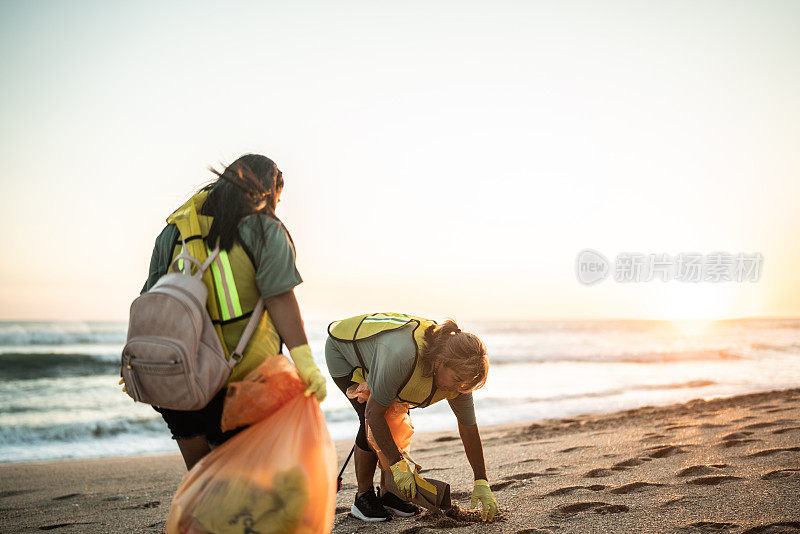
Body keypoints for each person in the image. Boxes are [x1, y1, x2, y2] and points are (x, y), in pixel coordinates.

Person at [141, 154, 326, 470]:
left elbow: (150, 300)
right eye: (277, 199)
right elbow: (280, 299)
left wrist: (145, 357)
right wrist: (305, 362)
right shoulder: (265, 230)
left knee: (204, 480)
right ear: (267, 191)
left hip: (180, 380)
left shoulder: (173, 232)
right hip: (241, 385)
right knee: (247, 487)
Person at [325, 312, 498, 522]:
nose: (459, 388)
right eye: (457, 379)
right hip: (345, 353)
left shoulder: (461, 379)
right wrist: (398, 465)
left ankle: (388, 493)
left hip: (385, 357)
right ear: (440, 362)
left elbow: (468, 426)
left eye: (465, 384)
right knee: (369, 418)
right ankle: (363, 498)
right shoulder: (403, 357)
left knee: (397, 417)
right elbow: (374, 414)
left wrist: (482, 480)